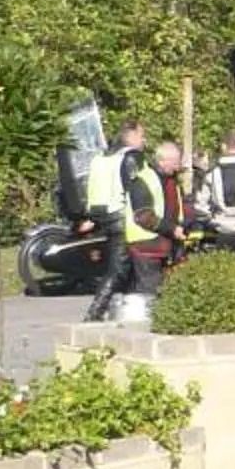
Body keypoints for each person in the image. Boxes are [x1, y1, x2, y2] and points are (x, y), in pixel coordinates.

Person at [78, 118, 144, 322]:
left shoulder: (101, 158)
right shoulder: (130, 157)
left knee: (123, 267)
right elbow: (136, 188)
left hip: (101, 217)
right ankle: (95, 312)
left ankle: (123, 310)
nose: (144, 140)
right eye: (142, 135)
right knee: (118, 270)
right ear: (131, 136)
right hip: (121, 217)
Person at [120, 140, 188, 298]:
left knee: (163, 292)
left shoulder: (171, 180)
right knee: (149, 292)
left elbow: (175, 208)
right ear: (162, 161)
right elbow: (143, 216)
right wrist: (172, 229)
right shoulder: (143, 180)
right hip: (145, 245)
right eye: (175, 162)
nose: (178, 166)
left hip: (163, 243)